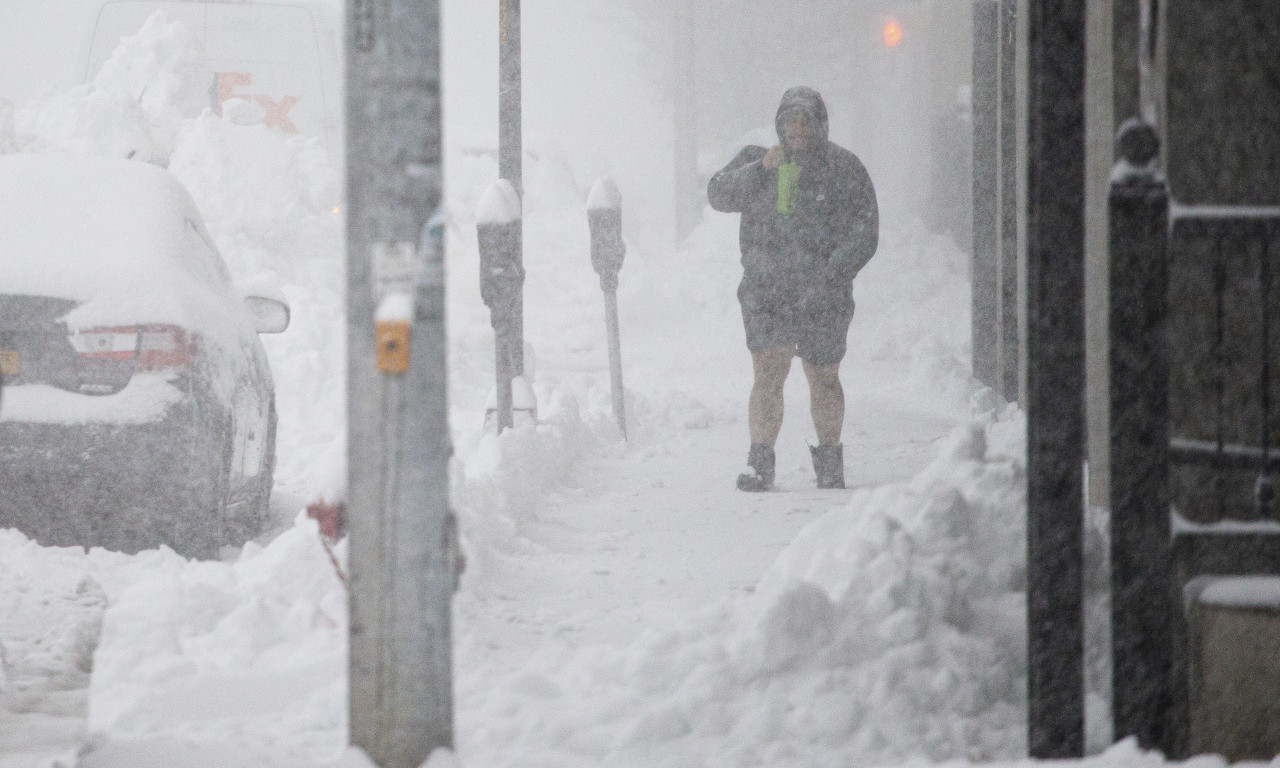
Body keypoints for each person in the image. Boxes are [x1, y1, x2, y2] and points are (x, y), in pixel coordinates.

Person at [707, 86, 879, 491]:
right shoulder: (759, 160)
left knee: (824, 377)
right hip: (767, 291)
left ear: (820, 124)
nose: (797, 129)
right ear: (779, 124)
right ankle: (759, 463)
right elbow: (718, 193)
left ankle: (830, 460)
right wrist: (761, 169)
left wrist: (833, 272)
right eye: (789, 121)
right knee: (768, 373)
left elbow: (866, 231)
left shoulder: (843, 167)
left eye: (806, 121)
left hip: (824, 295)